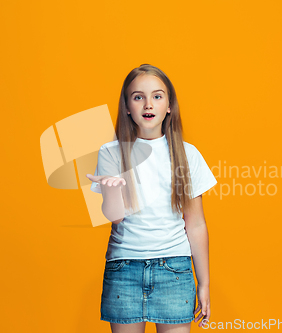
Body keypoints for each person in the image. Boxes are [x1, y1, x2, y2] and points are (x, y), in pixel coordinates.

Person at [86, 64, 217, 333]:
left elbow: (196, 224)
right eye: (138, 97)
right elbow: (114, 216)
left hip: (175, 270)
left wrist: (203, 284)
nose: (148, 104)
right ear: (126, 107)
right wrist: (112, 188)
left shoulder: (186, 153)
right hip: (123, 270)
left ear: (169, 105)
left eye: (157, 96)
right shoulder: (111, 152)